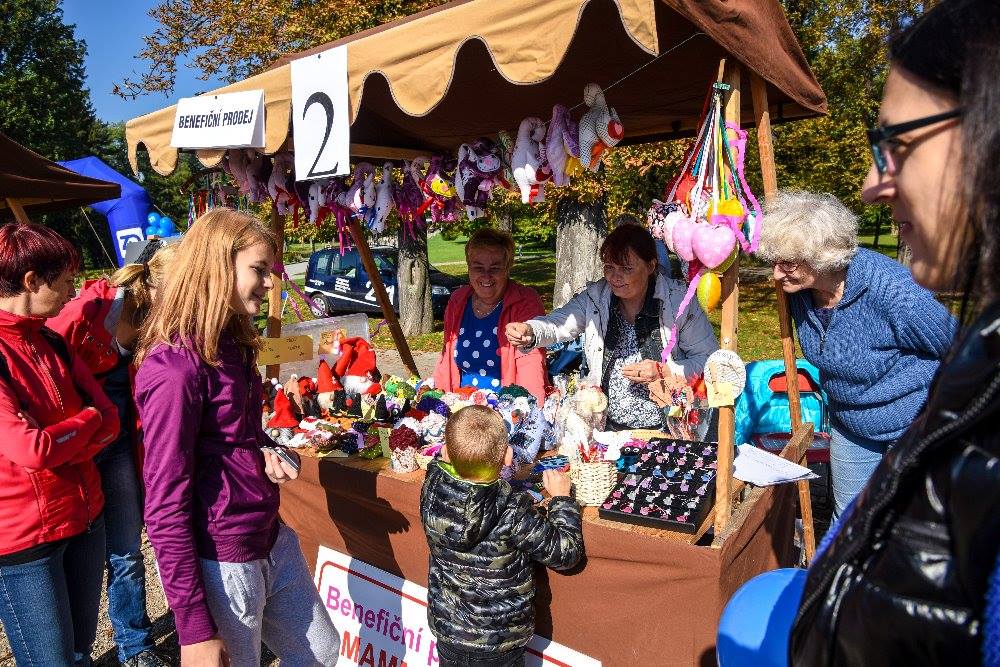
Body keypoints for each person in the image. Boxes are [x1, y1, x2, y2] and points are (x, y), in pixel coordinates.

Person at [718, 3, 1000, 664]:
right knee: (854, 534)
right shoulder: (799, 298)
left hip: (910, 430)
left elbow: (956, 355)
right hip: (854, 434)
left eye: (896, 146)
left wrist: (930, 425)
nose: (874, 185)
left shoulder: (895, 293)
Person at [133, 208, 340, 666]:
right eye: (259, 270)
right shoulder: (174, 370)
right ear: (217, 266)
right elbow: (164, 505)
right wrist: (193, 629)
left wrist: (266, 450)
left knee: (324, 653)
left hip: (269, 534)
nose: (269, 283)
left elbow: (239, 435)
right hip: (222, 556)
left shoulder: (233, 344)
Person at [757, 190, 955, 519]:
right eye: (774, 262)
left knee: (907, 524)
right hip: (851, 422)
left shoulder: (894, 292)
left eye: (788, 264)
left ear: (822, 257)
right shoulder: (799, 291)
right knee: (848, 521)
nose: (777, 274)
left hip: (913, 424)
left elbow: (960, 347)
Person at [47, 238, 177, 667]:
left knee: (126, 549)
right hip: (76, 449)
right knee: (75, 556)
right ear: (153, 284)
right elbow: (44, 376)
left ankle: (135, 646)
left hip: (119, 444)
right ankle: (72, 652)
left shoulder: (161, 320)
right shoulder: (86, 310)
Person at [0, 222, 120, 665]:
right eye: (67, 280)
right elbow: (31, 450)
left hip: (85, 518)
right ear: (32, 281)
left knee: (79, 651)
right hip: (25, 543)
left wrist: (67, 433)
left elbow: (110, 419)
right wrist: (85, 421)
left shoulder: (51, 340)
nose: (74, 292)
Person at [506, 223, 718, 430]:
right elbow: (558, 324)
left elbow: (710, 362)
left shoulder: (679, 302)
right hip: (607, 429)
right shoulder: (595, 298)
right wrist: (531, 330)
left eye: (626, 268)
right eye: (609, 267)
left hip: (670, 427)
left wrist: (665, 371)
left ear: (650, 266)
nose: (615, 277)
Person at [421, 405, 583, 667]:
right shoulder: (511, 509)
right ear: (508, 456)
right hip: (499, 645)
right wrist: (561, 500)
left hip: (450, 635)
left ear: (445, 452)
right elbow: (566, 553)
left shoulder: (432, 488)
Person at [433, 228, 547, 403]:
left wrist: (529, 408)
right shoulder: (458, 299)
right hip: (461, 403)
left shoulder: (525, 300)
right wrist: (436, 400)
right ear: (469, 267)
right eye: (478, 267)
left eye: (495, 268)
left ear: (507, 268)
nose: (486, 275)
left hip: (506, 406)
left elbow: (531, 361)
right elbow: (446, 357)